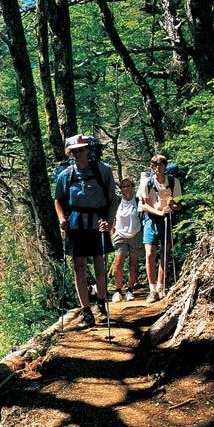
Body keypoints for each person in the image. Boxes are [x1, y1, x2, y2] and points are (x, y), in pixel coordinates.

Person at [54, 134, 117, 326]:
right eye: (73, 151)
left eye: (80, 150)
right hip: (76, 225)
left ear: (88, 150)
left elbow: (113, 199)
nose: (77, 154)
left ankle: (101, 305)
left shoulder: (103, 170)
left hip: (98, 223)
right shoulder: (65, 175)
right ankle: (86, 311)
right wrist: (62, 219)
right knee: (79, 268)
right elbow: (58, 200)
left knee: (100, 267)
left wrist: (109, 222)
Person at [137, 154, 182, 303]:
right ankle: (152, 289)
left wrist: (172, 206)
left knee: (165, 253)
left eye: (160, 165)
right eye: (155, 165)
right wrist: (159, 212)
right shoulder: (147, 182)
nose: (157, 168)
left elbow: (178, 205)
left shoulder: (173, 182)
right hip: (151, 218)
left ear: (165, 166)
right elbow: (144, 205)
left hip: (167, 219)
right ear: (152, 167)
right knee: (150, 253)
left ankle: (160, 287)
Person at [110, 176, 144, 302]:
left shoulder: (138, 200)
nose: (126, 188)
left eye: (128, 186)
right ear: (121, 189)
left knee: (133, 264)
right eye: (123, 186)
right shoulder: (117, 202)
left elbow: (143, 216)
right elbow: (112, 217)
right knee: (118, 263)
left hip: (136, 235)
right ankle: (118, 291)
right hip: (120, 235)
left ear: (132, 187)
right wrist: (112, 232)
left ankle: (130, 290)